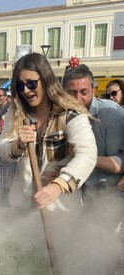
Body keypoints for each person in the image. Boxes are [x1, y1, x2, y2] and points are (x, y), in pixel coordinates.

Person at [0, 53, 97, 212]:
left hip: (60, 210)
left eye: (31, 83)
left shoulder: (69, 113)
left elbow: (88, 153)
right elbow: (2, 149)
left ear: (46, 79)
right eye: (20, 86)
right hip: (21, 206)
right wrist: (18, 144)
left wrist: (58, 185)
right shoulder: (16, 112)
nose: (26, 91)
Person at [62, 64, 124, 231]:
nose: (77, 100)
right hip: (78, 188)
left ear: (93, 90)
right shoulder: (61, 114)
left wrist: (83, 157)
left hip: (107, 192)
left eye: (83, 92)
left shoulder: (112, 114)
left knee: (99, 243)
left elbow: (119, 163)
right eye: (71, 93)